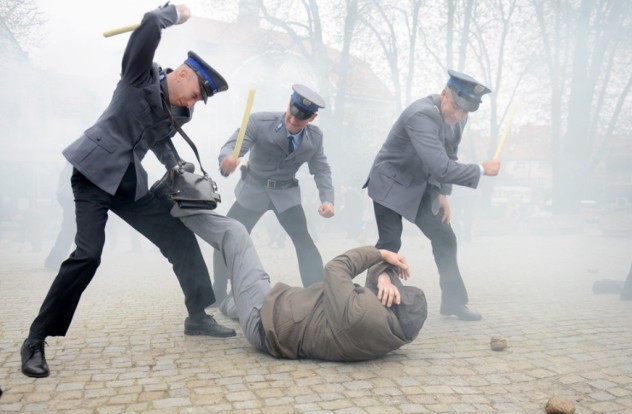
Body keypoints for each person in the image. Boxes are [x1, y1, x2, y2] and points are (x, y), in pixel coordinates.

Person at [20, 3, 235, 379]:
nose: (194, 102)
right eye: (197, 94)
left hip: (128, 183)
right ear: (183, 74)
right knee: (88, 255)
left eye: (200, 101)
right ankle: (36, 339)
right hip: (92, 173)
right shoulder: (138, 76)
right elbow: (152, 22)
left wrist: (177, 167)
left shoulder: (176, 112)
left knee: (179, 237)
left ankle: (198, 315)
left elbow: (160, 142)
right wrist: (175, 12)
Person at [160, 186, 427, 360]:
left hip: (266, 319)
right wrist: (383, 276)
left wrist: (380, 254)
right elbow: (372, 287)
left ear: (389, 303)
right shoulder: (392, 333)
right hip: (276, 315)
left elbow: (336, 269)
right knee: (239, 299)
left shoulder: (362, 314)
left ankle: (174, 206)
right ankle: (230, 303)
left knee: (236, 234)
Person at [364, 70, 501, 321]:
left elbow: (449, 155)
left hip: (421, 186)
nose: (458, 115)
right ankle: (371, 303)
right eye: (455, 106)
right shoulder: (422, 114)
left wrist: (441, 193)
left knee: (445, 237)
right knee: (390, 243)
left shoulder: (459, 118)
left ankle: (453, 302)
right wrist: (481, 169)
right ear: (444, 94)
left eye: (465, 111)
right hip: (390, 183)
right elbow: (441, 167)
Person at [213, 84, 335, 302]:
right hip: (253, 191)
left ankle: (318, 295)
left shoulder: (315, 138)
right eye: (292, 112)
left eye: (301, 118)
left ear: (313, 117)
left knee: (304, 241)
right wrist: (227, 161)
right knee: (227, 238)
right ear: (289, 103)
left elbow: (322, 170)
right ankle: (218, 293)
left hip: (285, 195)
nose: (293, 120)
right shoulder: (259, 122)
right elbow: (232, 146)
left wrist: (327, 199)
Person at [44, 163, 75, 270]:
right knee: (71, 230)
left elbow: (62, 180)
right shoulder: (78, 160)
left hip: (69, 195)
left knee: (70, 230)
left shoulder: (74, 158)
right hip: (73, 196)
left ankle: (55, 260)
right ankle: (55, 261)